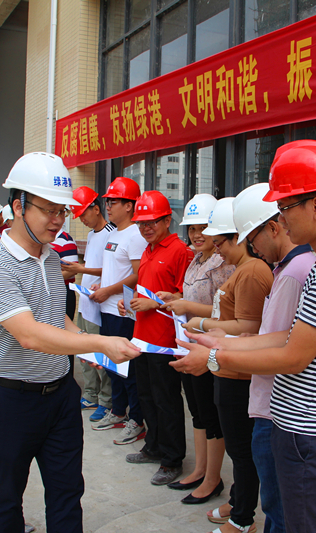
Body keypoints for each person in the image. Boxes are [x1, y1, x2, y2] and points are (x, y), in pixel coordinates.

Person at [172, 140, 316, 533]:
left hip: (310, 432)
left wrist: (215, 358)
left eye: (285, 207)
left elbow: (293, 356)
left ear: (315, 206)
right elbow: (288, 335)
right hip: (303, 430)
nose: (280, 218)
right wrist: (226, 343)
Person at [0, 152, 141, 533]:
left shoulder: (50, 258)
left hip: (61, 397)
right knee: (6, 498)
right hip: (11, 400)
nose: (57, 220)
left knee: (67, 494)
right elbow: (30, 333)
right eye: (48, 210)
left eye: (61, 211)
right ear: (18, 206)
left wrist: (83, 339)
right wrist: (100, 343)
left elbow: (54, 316)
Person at [179, 197, 272, 533]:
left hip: (239, 372)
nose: (218, 251)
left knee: (242, 450)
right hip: (227, 367)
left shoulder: (252, 272)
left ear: (240, 237)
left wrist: (202, 325)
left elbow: (249, 326)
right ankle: (238, 501)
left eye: (221, 243)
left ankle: (242, 518)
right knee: (237, 447)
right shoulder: (244, 270)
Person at [232, 183, 316, 533]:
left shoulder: (295, 273)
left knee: (279, 509)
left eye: (252, 240)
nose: (253, 249)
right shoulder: (287, 268)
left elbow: (283, 350)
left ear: (273, 227)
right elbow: (276, 336)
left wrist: (218, 355)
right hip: (273, 406)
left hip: (275, 409)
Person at [158, 193, 233, 504]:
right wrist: (174, 298)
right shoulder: (196, 259)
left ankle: (213, 479)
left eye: (203, 228)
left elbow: (227, 312)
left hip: (211, 347)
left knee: (211, 416)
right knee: (198, 413)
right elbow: (193, 297)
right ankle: (200, 470)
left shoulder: (223, 263)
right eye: (192, 228)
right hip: (190, 345)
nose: (197, 234)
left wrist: (187, 306)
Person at [117, 191, 193, 486]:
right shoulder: (148, 250)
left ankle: (172, 459)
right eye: (141, 223)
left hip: (164, 341)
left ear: (167, 220)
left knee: (166, 401)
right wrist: (129, 302)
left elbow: (186, 295)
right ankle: (154, 446)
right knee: (147, 396)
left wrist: (155, 304)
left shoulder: (179, 251)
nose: (146, 228)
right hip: (142, 338)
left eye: (152, 222)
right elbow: (146, 289)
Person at [88, 177, 147, 443]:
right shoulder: (113, 233)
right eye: (108, 201)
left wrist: (109, 291)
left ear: (129, 205)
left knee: (128, 370)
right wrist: (102, 285)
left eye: (113, 201)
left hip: (124, 312)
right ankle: (118, 411)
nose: (108, 206)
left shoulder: (135, 235)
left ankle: (137, 419)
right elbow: (115, 270)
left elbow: (138, 275)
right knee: (112, 366)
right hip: (107, 309)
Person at [62, 186, 115, 422]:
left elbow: (112, 269)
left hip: (101, 303)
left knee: (99, 352)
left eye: (83, 213)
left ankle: (106, 399)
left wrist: (81, 269)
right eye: (78, 215)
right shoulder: (93, 235)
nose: (82, 219)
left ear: (96, 208)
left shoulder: (111, 233)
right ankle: (91, 394)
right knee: (83, 349)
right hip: (85, 300)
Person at [52, 229, 79, 319]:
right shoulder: (42, 239)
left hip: (62, 291)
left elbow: (72, 270)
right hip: (47, 291)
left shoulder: (66, 240)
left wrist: (47, 278)